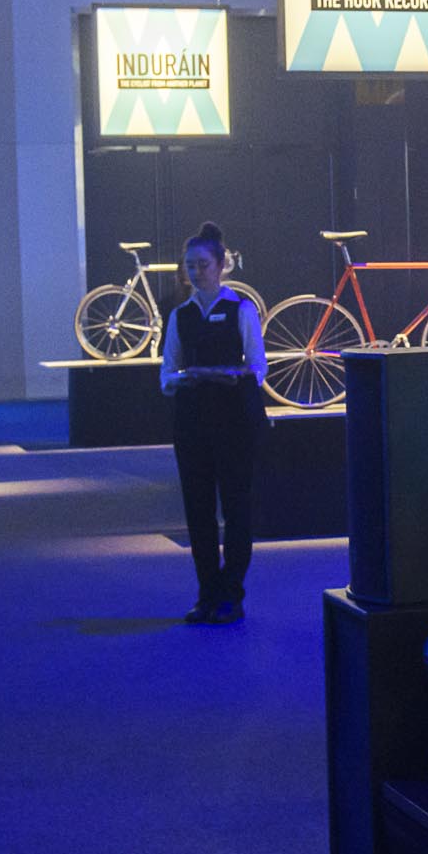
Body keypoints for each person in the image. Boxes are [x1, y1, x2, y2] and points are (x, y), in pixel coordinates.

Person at [159, 222, 268, 625]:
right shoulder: (180, 316)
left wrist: (233, 376)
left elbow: (258, 366)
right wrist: (183, 379)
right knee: (198, 510)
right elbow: (166, 373)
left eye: (202, 265)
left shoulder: (242, 309)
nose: (195, 272)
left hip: (234, 418)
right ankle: (207, 592)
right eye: (190, 266)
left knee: (237, 508)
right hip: (192, 420)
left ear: (221, 265)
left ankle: (231, 593)